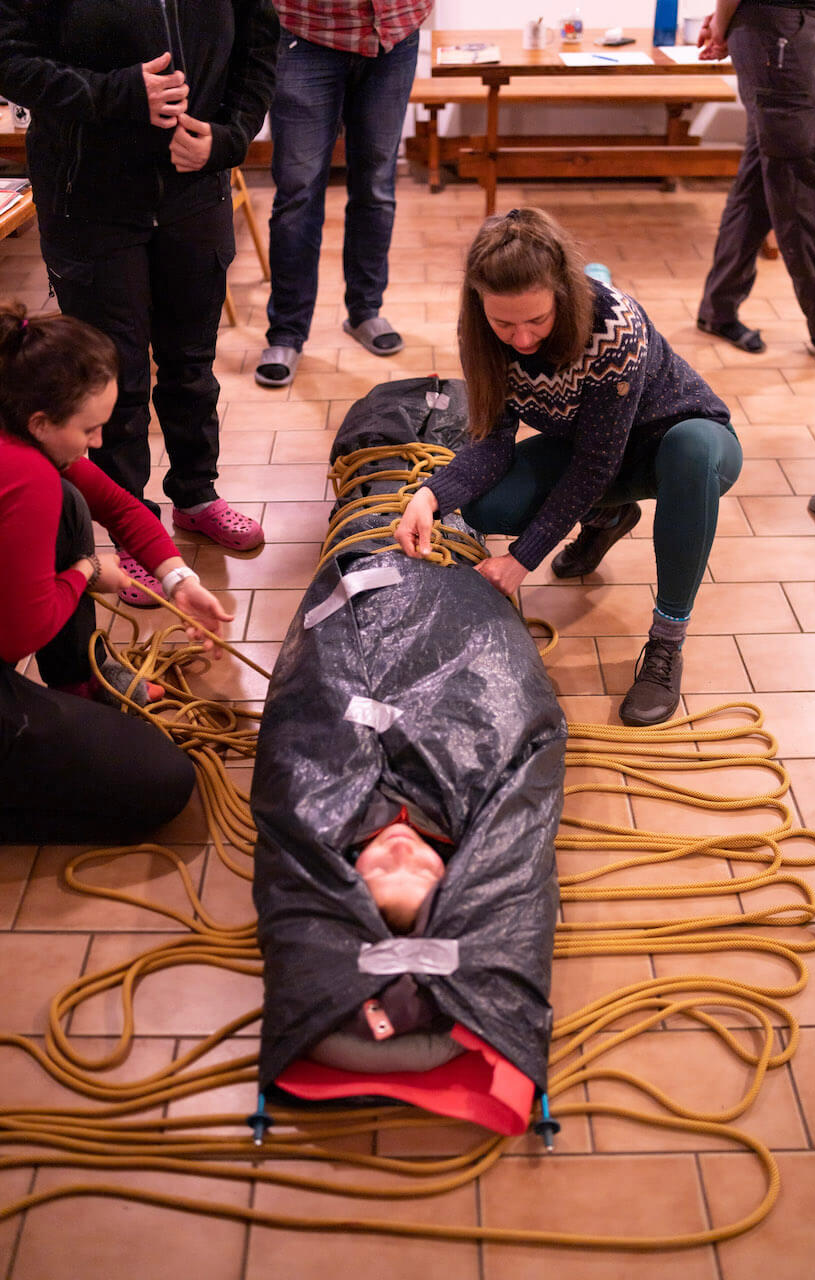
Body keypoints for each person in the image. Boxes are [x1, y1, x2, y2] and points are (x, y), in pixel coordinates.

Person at [252, 375, 565, 1134]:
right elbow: (522, 731)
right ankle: (443, 448)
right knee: (466, 433)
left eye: (376, 872)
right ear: (448, 875)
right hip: (455, 597)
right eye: (417, 873)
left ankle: (395, 457)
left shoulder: (322, 809)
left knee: (390, 468)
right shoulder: (475, 805)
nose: (397, 854)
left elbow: (304, 724)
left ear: (350, 877)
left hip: (367, 567)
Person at [394, 208, 744, 728]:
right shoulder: (480, 333)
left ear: (563, 291)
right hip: (596, 449)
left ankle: (667, 642)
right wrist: (428, 497)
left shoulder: (613, 326)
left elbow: (596, 464)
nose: (522, 339)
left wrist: (522, 558)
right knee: (488, 504)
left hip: (685, 446)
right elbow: (493, 443)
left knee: (690, 450)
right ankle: (608, 517)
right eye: (504, 323)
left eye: (537, 320)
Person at [0, 0, 280, 604]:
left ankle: (196, 495)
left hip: (194, 190)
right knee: (115, 378)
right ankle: (133, 528)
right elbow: (10, 59)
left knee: (191, 364)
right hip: (88, 196)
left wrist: (229, 139)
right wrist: (118, 93)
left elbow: (258, 51)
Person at [0, 302, 234, 846]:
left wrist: (181, 582)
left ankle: (80, 682)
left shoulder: (20, 427)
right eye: (90, 428)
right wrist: (85, 569)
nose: (99, 442)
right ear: (42, 422)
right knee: (162, 783)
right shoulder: (27, 474)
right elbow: (20, 634)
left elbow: (121, 507)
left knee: (72, 501)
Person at [253, 0, 432, 389]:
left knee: (376, 185)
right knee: (298, 195)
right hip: (308, 31)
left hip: (395, 31)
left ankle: (365, 310)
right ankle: (286, 333)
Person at [696, 0, 815, 356]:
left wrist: (726, 18)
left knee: (758, 185)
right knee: (807, 187)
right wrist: (722, 23)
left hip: (796, 30)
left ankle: (718, 309)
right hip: (783, 36)